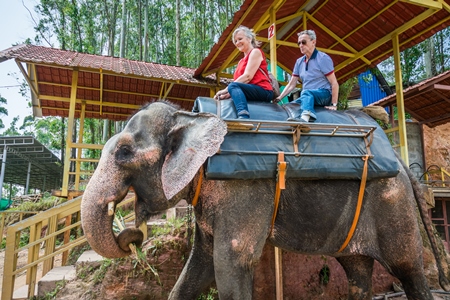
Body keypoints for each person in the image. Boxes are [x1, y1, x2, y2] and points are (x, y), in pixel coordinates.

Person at [275, 29, 339, 122]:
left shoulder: (323, 58)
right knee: (289, 105)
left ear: (313, 42)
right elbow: (291, 84)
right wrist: (279, 98)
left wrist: (334, 105)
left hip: (324, 94)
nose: (301, 45)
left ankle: (306, 118)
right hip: (307, 96)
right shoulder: (299, 62)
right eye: (299, 43)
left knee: (306, 92)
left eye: (304, 42)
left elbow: (334, 83)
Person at [214, 26, 274, 119]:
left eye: (240, 39)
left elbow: (247, 77)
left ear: (249, 38)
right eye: (235, 41)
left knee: (232, 85)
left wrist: (226, 89)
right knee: (233, 87)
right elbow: (239, 87)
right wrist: (226, 95)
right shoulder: (240, 62)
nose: (237, 43)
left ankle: (244, 116)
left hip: (264, 90)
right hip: (250, 90)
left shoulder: (255, 52)